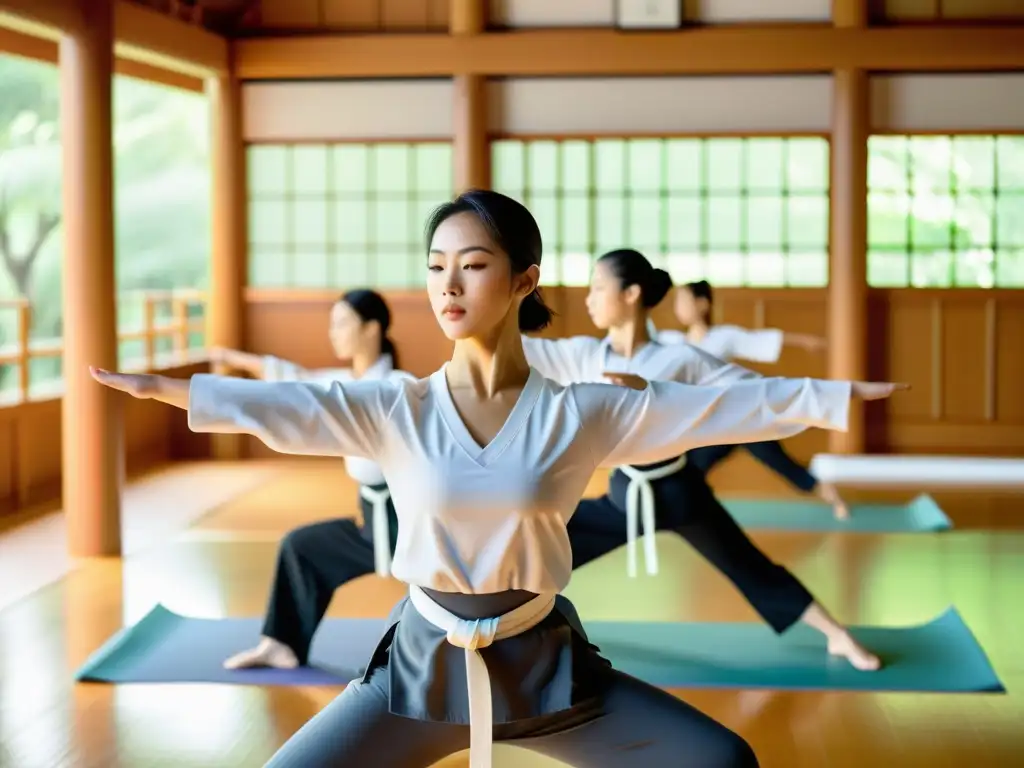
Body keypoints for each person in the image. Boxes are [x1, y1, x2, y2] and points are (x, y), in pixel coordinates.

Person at [93, 190, 904, 768]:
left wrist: (833, 398)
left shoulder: (581, 410)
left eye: (473, 265)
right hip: (419, 665)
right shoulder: (395, 407)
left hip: (545, 664)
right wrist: (174, 390)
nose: (447, 285)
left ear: (523, 279)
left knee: (720, 760)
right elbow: (292, 403)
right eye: (437, 265)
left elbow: (719, 408)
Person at [522, 249, 882, 672]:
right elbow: (514, 349)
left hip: (679, 491)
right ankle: (508, 630)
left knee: (751, 567)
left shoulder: (680, 359)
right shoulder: (583, 354)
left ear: (632, 293)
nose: (589, 298)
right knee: (539, 544)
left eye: (598, 287)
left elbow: (753, 392)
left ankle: (838, 637)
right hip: (624, 495)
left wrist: (842, 393)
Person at [211, 289, 414, 671]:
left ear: (372, 329)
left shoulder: (399, 384)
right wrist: (232, 359)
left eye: (341, 323)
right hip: (373, 522)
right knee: (302, 547)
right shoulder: (345, 381)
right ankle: (280, 644)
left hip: (414, 520)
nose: (333, 332)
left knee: (437, 586)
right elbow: (293, 379)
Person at [653, 279, 849, 519]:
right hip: (713, 426)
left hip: (743, 417)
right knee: (691, 468)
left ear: (702, 304)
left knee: (782, 464)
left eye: (684, 300)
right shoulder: (672, 341)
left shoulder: (723, 337)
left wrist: (806, 342)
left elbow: (762, 340)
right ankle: (675, 511)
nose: (678, 307)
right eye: (677, 301)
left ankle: (832, 496)